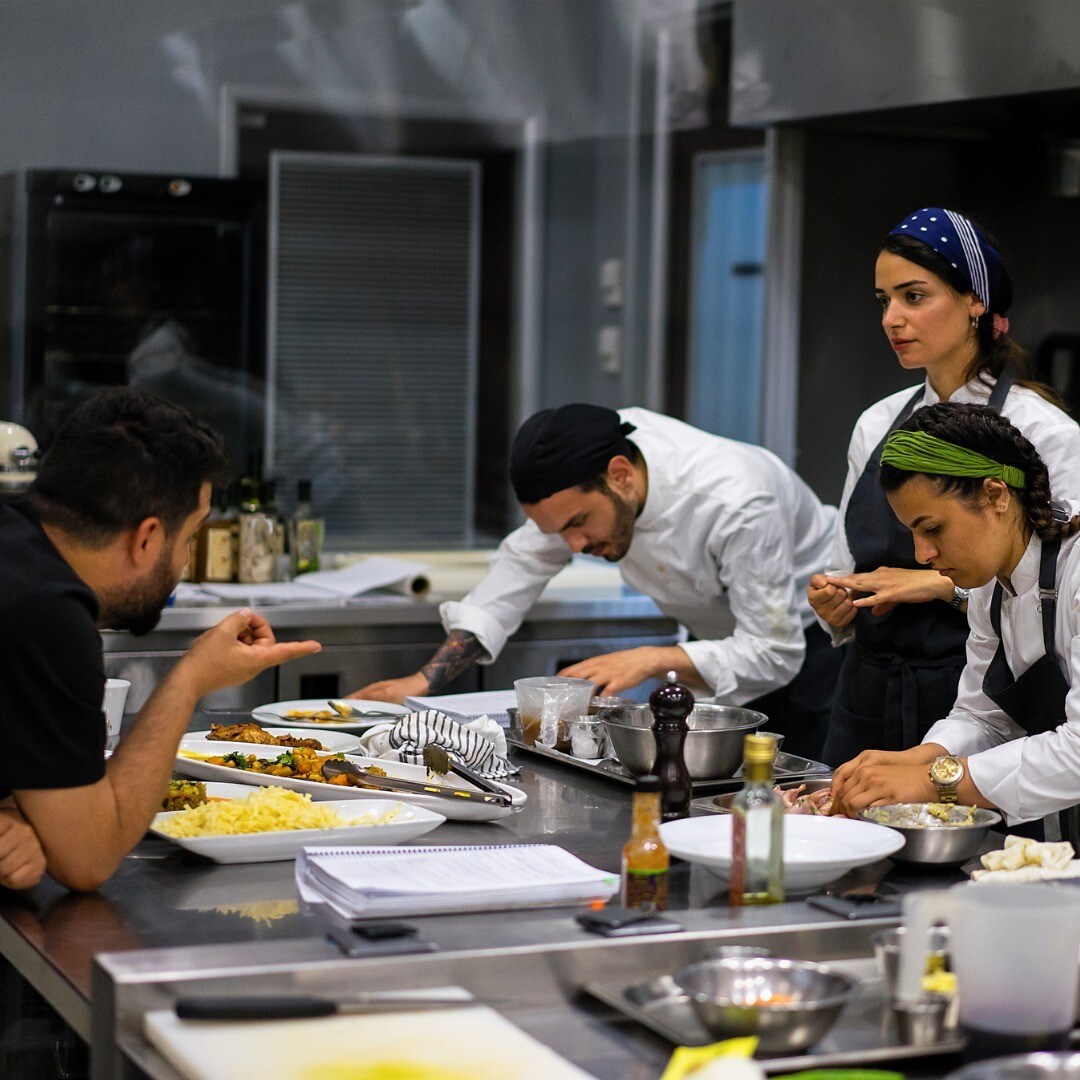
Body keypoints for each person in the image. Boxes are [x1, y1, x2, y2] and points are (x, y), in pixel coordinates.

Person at [351, 404, 842, 759]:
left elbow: (774, 651)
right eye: (559, 531)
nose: (576, 546)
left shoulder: (736, 502)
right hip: (718, 642)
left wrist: (650, 658)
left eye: (579, 523)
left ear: (621, 475)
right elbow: (521, 564)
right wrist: (421, 682)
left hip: (815, 645)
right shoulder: (583, 477)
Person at [0, 388, 321, 892]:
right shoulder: (47, 614)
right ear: (147, 537)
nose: (185, 560)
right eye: (190, 537)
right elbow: (90, 858)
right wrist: (191, 678)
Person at [808, 207, 1080, 767]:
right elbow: (850, 564)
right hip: (868, 692)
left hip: (975, 692)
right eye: (884, 300)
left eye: (914, 296)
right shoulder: (877, 424)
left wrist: (936, 586)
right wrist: (836, 606)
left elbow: (1055, 584)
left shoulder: (1043, 431)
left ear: (975, 301)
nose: (891, 318)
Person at [831, 402, 1080, 827]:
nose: (921, 555)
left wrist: (934, 783)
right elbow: (983, 716)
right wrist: (914, 762)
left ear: (996, 496)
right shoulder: (991, 580)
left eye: (933, 529)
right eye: (912, 532)